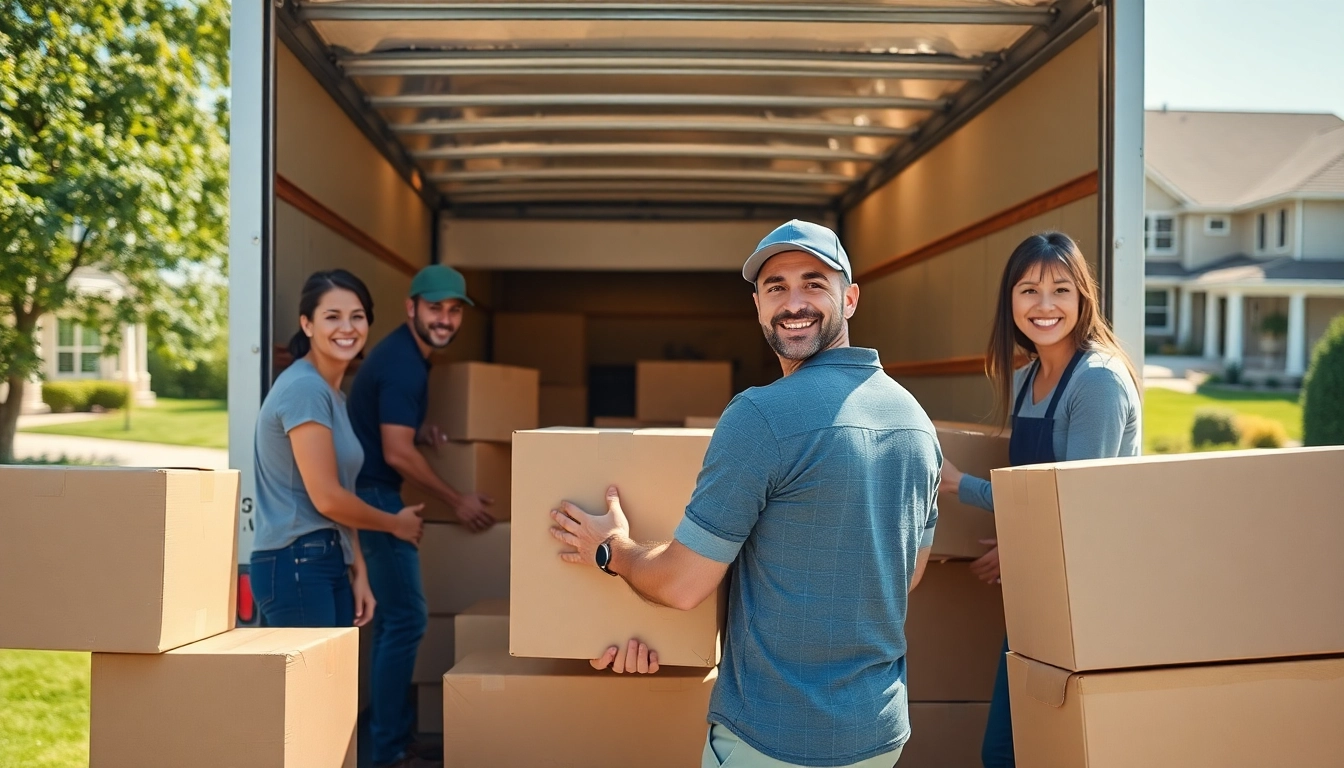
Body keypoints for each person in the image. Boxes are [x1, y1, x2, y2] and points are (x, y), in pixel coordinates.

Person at [548, 220, 941, 768]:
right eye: (775, 286)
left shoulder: (762, 416)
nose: (793, 301)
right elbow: (909, 572)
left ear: (850, 299)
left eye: (813, 282)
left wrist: (614, 550)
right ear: (757, 304)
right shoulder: (917, 424)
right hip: (878, 735)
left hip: (773, 740)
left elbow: (685, 586)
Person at [938, 231, 1141, 768]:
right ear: (1010, 301)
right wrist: (1023, 546)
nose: (1044, 305)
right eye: (1029, 290)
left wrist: (962, 486)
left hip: (1087, 593)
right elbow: (1038, 490)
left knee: (1026, 750)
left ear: (1083, 299)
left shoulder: (1097, 382)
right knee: (1010, 748)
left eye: (1061, 290)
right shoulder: (1028, 378)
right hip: (1044, 581)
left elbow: (1075, 501)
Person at [346, 264, 496, 768]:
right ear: (411, 307)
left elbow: (396, 431)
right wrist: (459, 500)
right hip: (375, 494)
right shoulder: (404, 364)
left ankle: (393, 737)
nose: (446, 319)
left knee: (396, 620)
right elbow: (394, 452)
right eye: (435, 308)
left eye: (454, 311)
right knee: (407, 619)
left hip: (372, 488)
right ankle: (387, 749)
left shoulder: (407, 356)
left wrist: (418, 429)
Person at [249, 270, 425, 632]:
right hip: (296, 560)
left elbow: (340, 490)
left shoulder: (332, 394)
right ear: (307, 324)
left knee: (330, 688)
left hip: (325, 558)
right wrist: (396, 525)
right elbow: (328, 499)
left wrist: (357, 567)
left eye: (357, 316)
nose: (347, 327)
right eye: (332, 316)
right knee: (310, 689)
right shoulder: (306, 390)